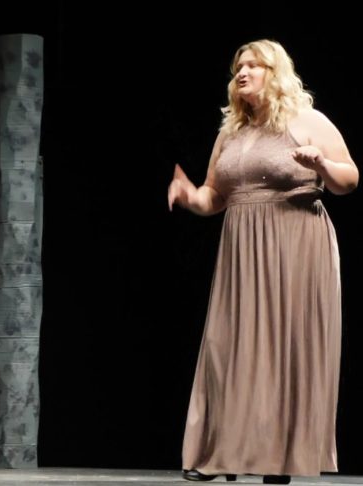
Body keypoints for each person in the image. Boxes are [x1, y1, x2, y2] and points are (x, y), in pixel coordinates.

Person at [168, 39, 358, 484]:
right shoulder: (231, 132)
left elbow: (349, 179)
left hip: (295, 244)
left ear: (277, 74)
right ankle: (221, 455)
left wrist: (321, 164)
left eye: (255, 65)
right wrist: (190, 196)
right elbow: (215, 195)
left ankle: (280, 458)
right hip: (242, 249)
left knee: (283, 347)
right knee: (229, 347)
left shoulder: (307, 120)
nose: (243, 72)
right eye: (239, 65)